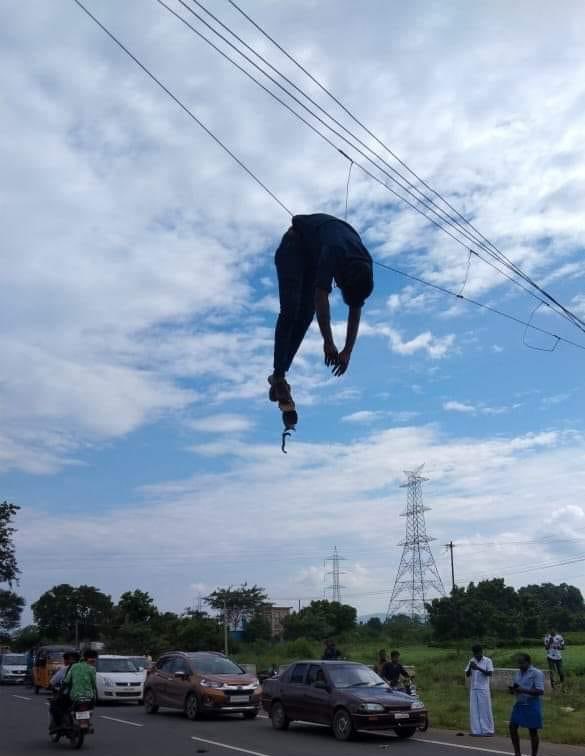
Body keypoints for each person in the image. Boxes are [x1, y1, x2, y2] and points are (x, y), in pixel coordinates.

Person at [269, 213, 374, 410]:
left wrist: (347, 351)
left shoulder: (364, 267)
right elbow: (321, 297)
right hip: (294, 246)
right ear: (341, 280)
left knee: (307, 313)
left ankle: (279, 376)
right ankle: (279, 376)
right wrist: (329, 342)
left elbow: (355, 307)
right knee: (292, 309)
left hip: (314, 254)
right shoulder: (334, 251)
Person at [509, 653, 545, 756]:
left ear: (528, 662)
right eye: (518, 663)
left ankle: (534, 754)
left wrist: (522, 690)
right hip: (519, 703)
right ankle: (517, 753)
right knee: (512, 727)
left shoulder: (536, 673)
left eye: (521, 663)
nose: (519, 665)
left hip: (531, 703)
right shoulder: (518, 674)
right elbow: (517, 687)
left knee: (532, 731)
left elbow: (540, 691)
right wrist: (513, 690)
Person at [465, 644, 494, 737]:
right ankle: (476, 731)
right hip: (474, 689)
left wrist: (478, 668)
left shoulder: (488, 661)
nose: (476, 655)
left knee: (485, 710)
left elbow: (489, 673)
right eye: (474, 653)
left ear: (481, 652)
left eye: (478, 653)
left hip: (483, 689)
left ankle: (488, 730)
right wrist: (470, 667)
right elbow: (467, 674)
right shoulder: (472, 660)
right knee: (474, 710)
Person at [49, 651, 80, 732]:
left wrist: (58, 692)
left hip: (70, 696)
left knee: (54, 705)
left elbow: (55, 682)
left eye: (67, 659)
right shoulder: (86, 668)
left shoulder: (66, 669)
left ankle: (60, 724)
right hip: (86, 696)